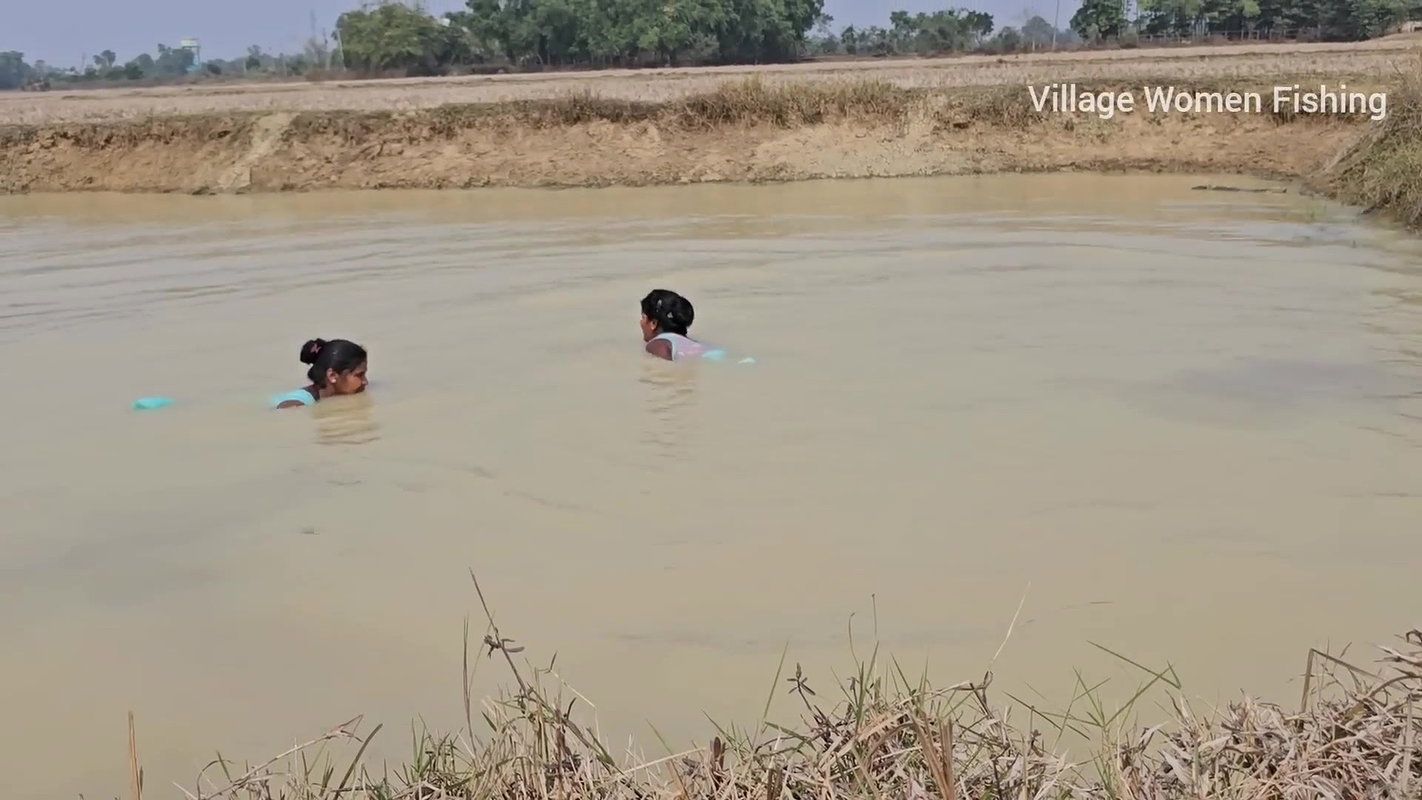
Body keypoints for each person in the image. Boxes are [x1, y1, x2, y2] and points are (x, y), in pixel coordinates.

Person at [272, 338, 369, 409]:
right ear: (332, 375)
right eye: (359, 375)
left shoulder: (329, 394)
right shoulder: (294, 403)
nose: (365, 382)